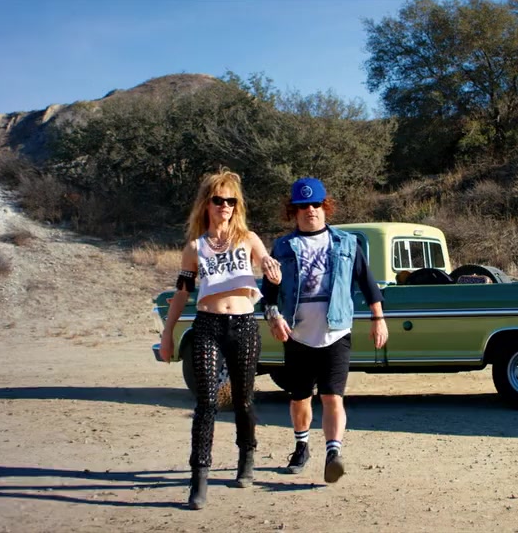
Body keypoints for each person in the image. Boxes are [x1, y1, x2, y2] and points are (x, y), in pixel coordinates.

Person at [159, 168, 282, 510]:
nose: (225, 206)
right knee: (207, 403)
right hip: (208, 325)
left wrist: (273, 270)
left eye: (231, 201)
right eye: (218, 200)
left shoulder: (248, 239)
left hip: (243, 325)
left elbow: (267, 263)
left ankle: (247, 456)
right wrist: (167, 332)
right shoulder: (194, 248)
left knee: (243, 399)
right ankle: (199, 478)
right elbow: (182, 293)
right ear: (206, 204)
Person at [260, 176, 388, 485]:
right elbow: (269, 292)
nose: (311, 210)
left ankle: (334, 453)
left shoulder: (346, 242)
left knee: (332, 397)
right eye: (303, 206)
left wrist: (378, 318)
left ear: (325, 207)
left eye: (316, 204)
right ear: (294, 211)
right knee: (300, 398)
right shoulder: (283, 247)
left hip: (336, 332)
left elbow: (366, 281)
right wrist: (274, 317)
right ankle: (301, 447)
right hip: (297, 334)